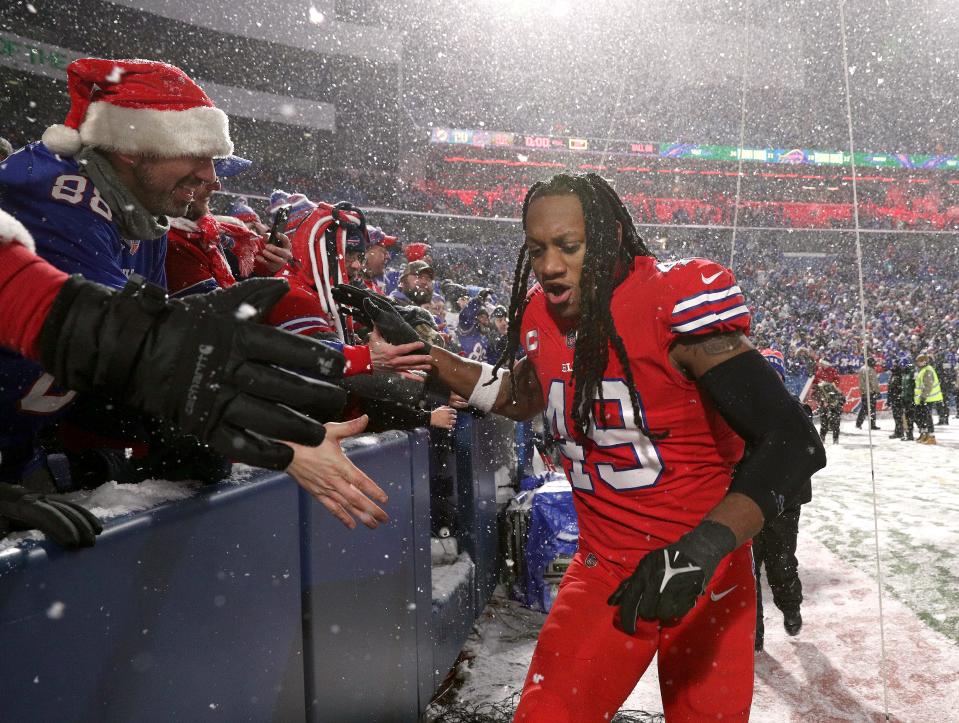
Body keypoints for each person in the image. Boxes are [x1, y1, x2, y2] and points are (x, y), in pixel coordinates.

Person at [360, 172, 825, 720]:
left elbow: (793, 442)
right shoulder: (540, 312)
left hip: (705, 569)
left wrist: (700, 552)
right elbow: (521, 394)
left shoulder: (673, 300)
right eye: (537, 249)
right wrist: (428, 354)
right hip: (603, 567)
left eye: (569, 246)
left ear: (610, 239)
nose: (550, 264)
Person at [0, 58, 386, 540]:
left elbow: (130, 357)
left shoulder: (143, 218)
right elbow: (134, 348)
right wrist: (273, 433)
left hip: (19, 454)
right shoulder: (53, 196)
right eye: (196, 154)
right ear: (136, 146)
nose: (213, 177)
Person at [753, 349, 812, 652]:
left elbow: (807, 459)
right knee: (746, 575)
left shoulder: (794, 411)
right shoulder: (741, 408)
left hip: (783, 507)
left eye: (774, 374)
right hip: (747, 508)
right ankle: (753, 634)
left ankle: (790, 608)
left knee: (782, 564)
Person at [914, 352, 942, 444]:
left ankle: (931, 436)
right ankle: (925, 434)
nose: (918, 363)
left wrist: (923, 397)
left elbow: (928, 386)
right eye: (918, 361)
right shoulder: (922, 370)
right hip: (923, 398)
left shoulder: (927, 370)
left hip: (927, 398)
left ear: (925, 361)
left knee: (927, 418)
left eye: (920, 361)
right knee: (922, 418)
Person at [855, 357, 881, 430]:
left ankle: (858, 423)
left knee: (863, 409)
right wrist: (877, 391)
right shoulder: (870, 370)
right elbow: (874, 382)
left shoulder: (861, 369)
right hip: (870, 392)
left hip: (864, 392)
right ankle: (872, 424)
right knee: (872, 409)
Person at [887, 360, 905, 439]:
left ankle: (899, 432)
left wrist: (899, 397)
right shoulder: (893, 375)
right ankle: (898, 431)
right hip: (894, 398)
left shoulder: (900, 375)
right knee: (896, 416)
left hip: (898, 399)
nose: (893, 366)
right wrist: (889, 400)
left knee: (898, 416)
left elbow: (900, 388)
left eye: (895, 365)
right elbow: (890, 389)